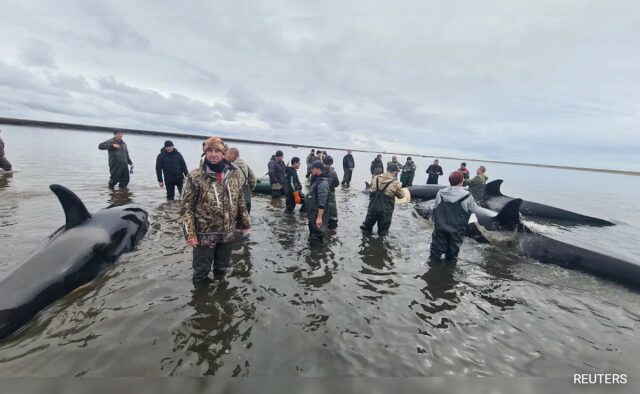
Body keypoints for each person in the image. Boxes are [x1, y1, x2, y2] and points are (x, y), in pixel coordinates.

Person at [181, 137, 251, 284]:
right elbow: (186, 208)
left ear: (224, 152)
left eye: (217, 151)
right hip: (205, 235)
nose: (213, 155)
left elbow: (240, 201)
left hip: (227, 233)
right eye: (209, 151)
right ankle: (202, 301)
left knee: (222, 269)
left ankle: (220, 292)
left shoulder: (233, 174)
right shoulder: (195, 176)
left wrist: (246, 224)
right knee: (201, 273)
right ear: (205, 153)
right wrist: (190, 234)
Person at [429, 171, 479, 265]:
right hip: (457, 230)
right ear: (461, 181)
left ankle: (432, 270)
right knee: (452, 254)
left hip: (440, 228)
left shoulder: (441, 193)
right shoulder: (467, 196)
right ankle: (448, 274)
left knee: (435, 252)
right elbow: (474, 210)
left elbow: (435, 207)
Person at [360, 163, 405, 236]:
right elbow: (401, 196)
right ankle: (379, 245)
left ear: (387, 170)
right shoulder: (395, 183)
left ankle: (365, 243)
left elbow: (371, 186)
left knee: (366, 228)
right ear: (394, 172)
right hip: (385, 210)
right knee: (383, 232)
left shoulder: (376, 178)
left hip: (373, 207)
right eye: (396, 172)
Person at [306, 161, 330, 246]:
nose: (311, 170)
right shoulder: (316, 180)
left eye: (312, 169)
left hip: (317, 214)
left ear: (318, 169)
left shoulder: (323, 183)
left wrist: (319, 218)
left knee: (316, 236)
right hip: (312, 214)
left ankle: (317, 253)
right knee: (312, 234)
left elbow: (322, 202)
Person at [226, 147, 257, 214]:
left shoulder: (232, 167)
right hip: (247, 198)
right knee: (247, 219)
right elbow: (253, 179)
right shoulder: (246, 165)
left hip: (239, 200)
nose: (226, 157)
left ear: (233, 154)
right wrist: (252, 189)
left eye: (227, 155)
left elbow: (233, 186)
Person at [323, 155, 340, 229]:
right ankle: (333, 224)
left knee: (322, 207)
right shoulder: (333, 173)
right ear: (331, 164)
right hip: (330, 193)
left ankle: (324, 222)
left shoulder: (320, 171)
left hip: (322, 193)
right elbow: (337, 184)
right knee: (332, 209)